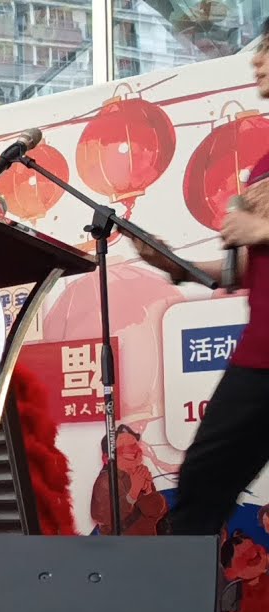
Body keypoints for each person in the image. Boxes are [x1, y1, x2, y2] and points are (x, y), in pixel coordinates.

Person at [131, 22, 269, 537]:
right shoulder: (260, 166)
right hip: (260, 358)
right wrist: (170, 263)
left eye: (267, 51)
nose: (257, 61)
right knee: (201, 486)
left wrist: (263, 225)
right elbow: (238, 269)